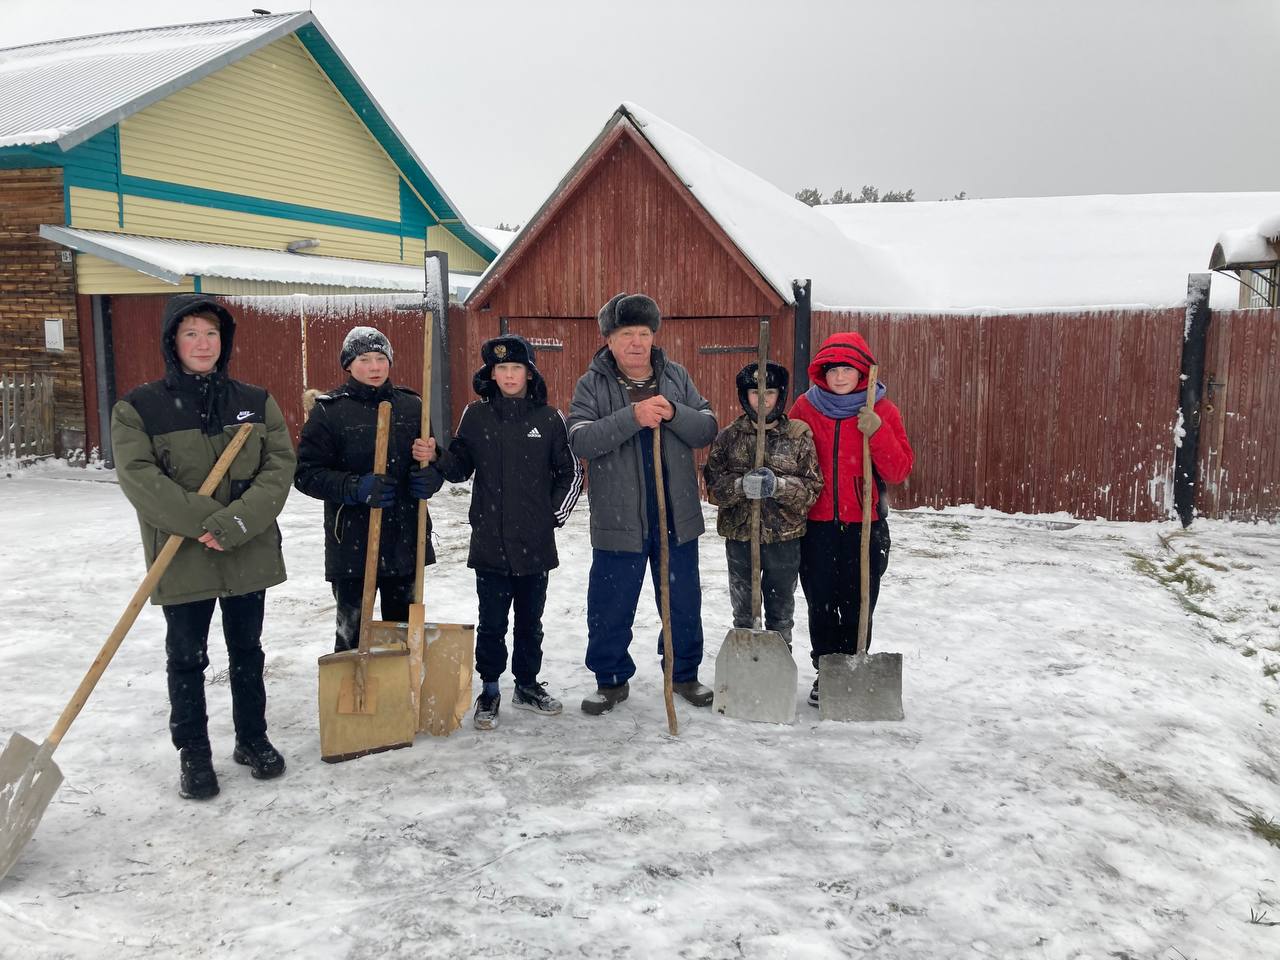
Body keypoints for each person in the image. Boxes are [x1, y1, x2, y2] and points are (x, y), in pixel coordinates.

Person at [111, 294, 295, 800]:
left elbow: (278, 468)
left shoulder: (255, 401)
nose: (202, 343)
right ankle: (193, 754)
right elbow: (140, 478)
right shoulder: (139, 407)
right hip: (182, 550)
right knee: (188, 657)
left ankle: (252, 739)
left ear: (224, 341)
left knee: (247, 653)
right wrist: (204, 523)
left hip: (246, 547)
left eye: (211, 333)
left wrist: (235, 522)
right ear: (173, 341)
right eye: (190, 332)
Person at [567, 292, 718, 715]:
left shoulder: (676, 377)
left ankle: (684, 673)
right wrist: (632, 418)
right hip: (620, 517)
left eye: (644, 333)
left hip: (676, 514)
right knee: (611, 603)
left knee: (682, 601)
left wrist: (673, 412)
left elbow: (707, 427)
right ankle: (611, 679)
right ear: (610, 341)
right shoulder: (592, 384)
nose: (637, 342)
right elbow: (580, 437)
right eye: (627, 334)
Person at [425, 335, 582, 730]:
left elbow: (572, 472)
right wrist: (438, 456)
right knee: (491, 621)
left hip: (534, 543)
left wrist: (552, 517)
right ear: (491, 374)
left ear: (529, 373)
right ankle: (490, 690)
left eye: (516, 368)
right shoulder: (475, 416)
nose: (509, 376)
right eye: (501, 370)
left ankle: (527, 685)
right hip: (490, 543)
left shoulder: (549, 419)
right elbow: (460, 467)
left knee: (531, 622)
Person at [294, 326, 442, 656]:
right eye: (364, 359)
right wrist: (354, 487)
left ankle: (397, 696)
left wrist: (431, 474)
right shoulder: (328, 412)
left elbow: (432, 457)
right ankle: (350, 695)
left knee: (401, 632)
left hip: (406, 537)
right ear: (348, 364)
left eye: (380, 358)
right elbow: (306, 474)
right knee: (352, 630)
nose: (374, 367)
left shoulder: (413, 406)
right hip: (351, 541)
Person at [787, 332, 914, 706]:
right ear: (820, 373)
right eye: (832, 370)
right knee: (821, 600)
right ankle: (826, 669)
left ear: (862, 371)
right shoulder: (806, 408)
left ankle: (854, 663)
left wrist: (877, 432)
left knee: (860, 600)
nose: (839, 377)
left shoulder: (882, 410)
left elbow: (898, 469)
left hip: (865, 525)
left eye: (847, 369)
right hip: (818, 524)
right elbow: (789, 455)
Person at [703, 361, 823, 645]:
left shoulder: (798, 435)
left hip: (785, 539)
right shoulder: (729, 437)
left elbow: (812, 489)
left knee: (780, 612)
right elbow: (713, 490)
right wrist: (739, 486)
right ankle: (746, 660)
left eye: (768, 392)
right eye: (755, 393)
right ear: (744, 396)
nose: (762, 399)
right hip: (740, 538)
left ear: (779, 395)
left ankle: (777, 664)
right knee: (743, 612)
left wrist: (780, 486)